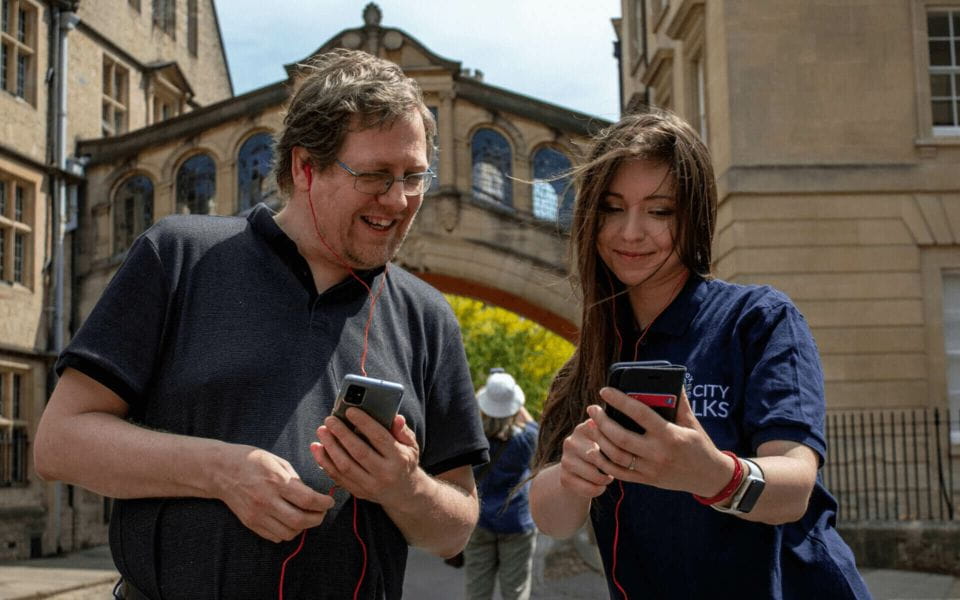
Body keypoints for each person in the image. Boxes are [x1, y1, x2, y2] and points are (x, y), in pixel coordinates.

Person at [33, 48, 488, 600]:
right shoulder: (180, 255)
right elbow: (59, 443)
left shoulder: (427, 316)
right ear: (304, 166)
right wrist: (222, 471)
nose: (398, 199)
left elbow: (456, 526)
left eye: (414, 176)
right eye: (375, 174)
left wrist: (405, 487)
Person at [528, 109, 872, 599]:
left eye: (659, 210)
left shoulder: (757, 319)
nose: (630, 232)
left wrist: (714, 474)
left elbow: (794, 487)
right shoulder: (586, 364)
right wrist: (572, 476)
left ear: (694, 214)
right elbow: (551, 517)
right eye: (612, 207)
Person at [463, 369, 539, 600]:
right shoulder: (527, 439)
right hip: (517, 521)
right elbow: (528, 421)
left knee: (477, 590)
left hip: (480, 519)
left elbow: (474, 415)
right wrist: (511, 403)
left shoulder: (473, 440)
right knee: (515, 591)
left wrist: (484, 399)